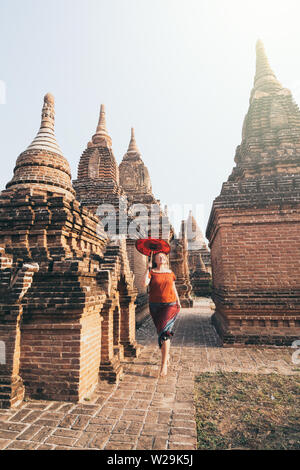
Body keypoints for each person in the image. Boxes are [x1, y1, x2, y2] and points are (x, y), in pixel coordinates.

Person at [144, 251, 181, 377]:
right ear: (154, 259)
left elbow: (173, 287)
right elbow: (145, 283)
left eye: (163, 256)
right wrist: (147, 268)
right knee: (161, 333)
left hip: (170, 304)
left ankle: (163, 364)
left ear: (165, 259)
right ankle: (167, 355)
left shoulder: (170, 272)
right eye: (158, 256)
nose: (161, 257)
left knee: (165, 333)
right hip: (155, 306)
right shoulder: (152, 272)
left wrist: (178, 301)